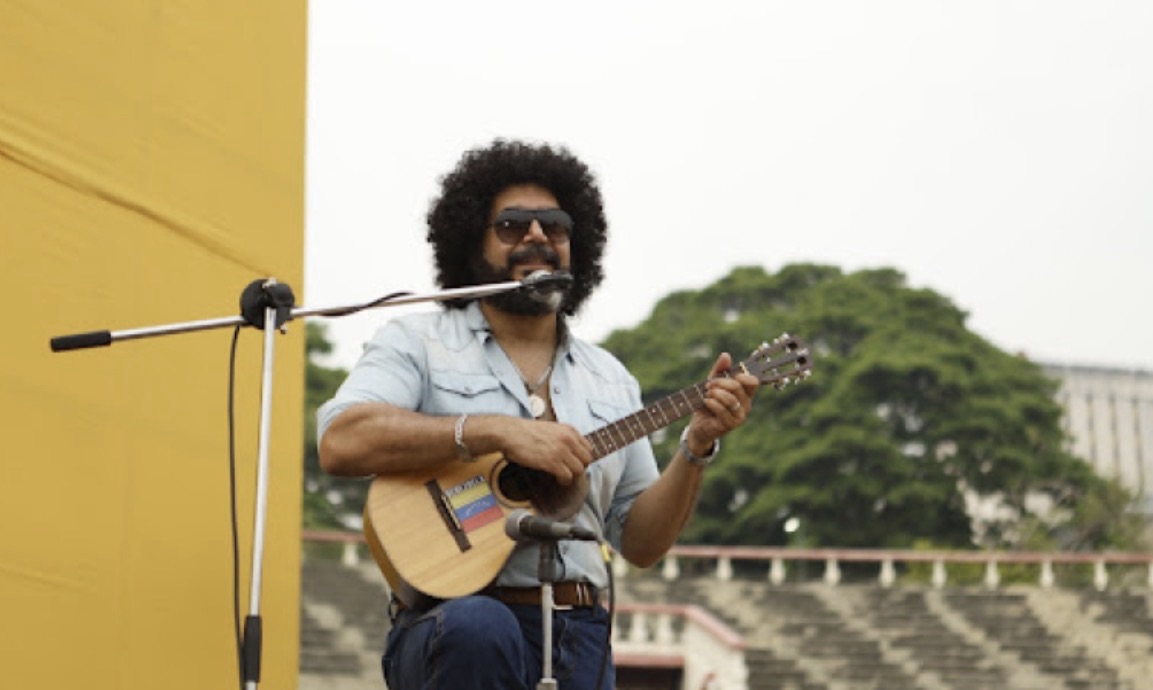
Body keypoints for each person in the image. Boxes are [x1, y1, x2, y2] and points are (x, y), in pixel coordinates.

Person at [316, 139, 759, 690]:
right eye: (512, 225)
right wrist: (492, 431)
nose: (537, 236)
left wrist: (696, 447)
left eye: (554, 225)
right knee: (481, 627)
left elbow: (640, 543)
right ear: (471, 241)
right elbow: (341, 440)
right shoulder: (417, 342)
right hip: (455, 628)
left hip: (581, 636)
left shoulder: (611, 378)